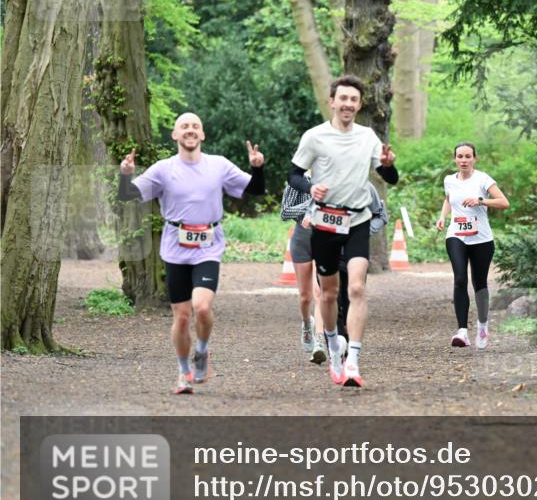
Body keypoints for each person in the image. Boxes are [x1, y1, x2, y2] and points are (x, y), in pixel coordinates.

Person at [118, 112, 265, 394]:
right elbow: (128, 196)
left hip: (208, 246)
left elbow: (255, 190)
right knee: (182, 316)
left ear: (202, 135)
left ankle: (202, 349)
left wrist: (257, 167)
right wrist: (126, 176)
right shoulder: (163, 169)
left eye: (195, 126)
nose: (190, 130)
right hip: (175, 248)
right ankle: (184, 372)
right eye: (184, 126)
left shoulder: (218, 166)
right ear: (175, 135)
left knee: (202, 307)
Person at [287, 75, 398, 388]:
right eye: (343, 99)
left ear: (359, 104)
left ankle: (353, 361)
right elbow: (294, 175)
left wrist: (388, 165)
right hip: (325, 223)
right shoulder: (315, 136)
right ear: (332, 101)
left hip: (358, 220)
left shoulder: (367, 137)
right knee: (330, 292)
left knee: (358, 288)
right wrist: (311, 188)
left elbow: (390, 177)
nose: (348, 104)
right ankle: (334, 346)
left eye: (354, 99)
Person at [287, 180, 388, 366]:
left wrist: (363, 232)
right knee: (329, 298)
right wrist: (309, 218)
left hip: (352, 252)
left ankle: (350, 349)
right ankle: (335, 347)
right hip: (326, 249)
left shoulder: (365, 186)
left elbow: (381, 215)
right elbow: (305, 211)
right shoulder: (321, 185)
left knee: (353, 295)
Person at [435, 142, 509, 348]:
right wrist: (442, 217)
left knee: (479, 284)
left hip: (481, 239)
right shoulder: (449, 180)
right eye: (460, 156)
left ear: (474, 158)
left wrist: (481, 201)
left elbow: (504, 202)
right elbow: (449, 199)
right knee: (459, 279)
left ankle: (483, 326)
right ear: (455, 159)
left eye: (468, 156)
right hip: (456, 235)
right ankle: (462, 332)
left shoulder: (483, 179)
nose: (464, 160)